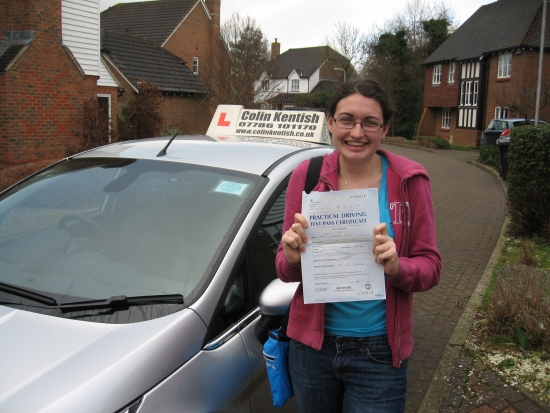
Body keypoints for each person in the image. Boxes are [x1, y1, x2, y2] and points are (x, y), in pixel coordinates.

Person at [275, 78, 442, 413]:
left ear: (385, 128)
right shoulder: (306, 175)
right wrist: (292, 257)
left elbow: (431, 267)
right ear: (330, 122)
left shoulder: (410, 180)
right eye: (347, 120)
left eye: (370, 123)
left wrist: (397, 267)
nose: (356, 132)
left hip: (380, 352)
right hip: (312, 349)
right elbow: (284, 268)